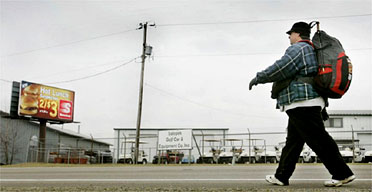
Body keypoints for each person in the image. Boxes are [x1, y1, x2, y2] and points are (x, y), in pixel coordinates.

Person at [248, 21, 355, 187]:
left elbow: (281, 68)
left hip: (302, 101)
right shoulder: (312, 49)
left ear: (297, 34)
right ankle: (281, 176)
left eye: (290, 34)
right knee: (293, 141)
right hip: (307, 101)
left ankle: (342, 173)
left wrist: (258, 77)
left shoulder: (299, 48)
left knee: (318, 139)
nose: (289, 37)